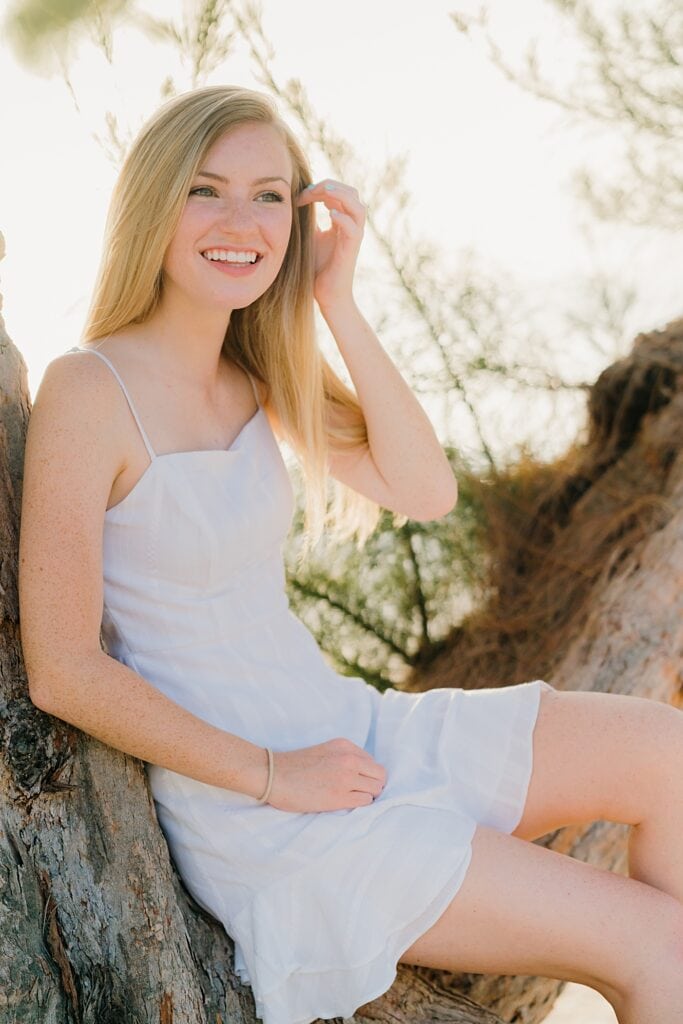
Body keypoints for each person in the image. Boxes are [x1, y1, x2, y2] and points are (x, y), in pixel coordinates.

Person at [17, 84, 683, 1024]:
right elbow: (63, 670)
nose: (240, 221)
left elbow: (424, 491)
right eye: (206, 190)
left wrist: (335, 298)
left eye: (269, 197)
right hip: (264, 810)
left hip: (352, 732)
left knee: (668, 754)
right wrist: (269, 775)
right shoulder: (88, 389)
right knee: (656, 943)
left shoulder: (255, 377)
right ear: (153, 205)